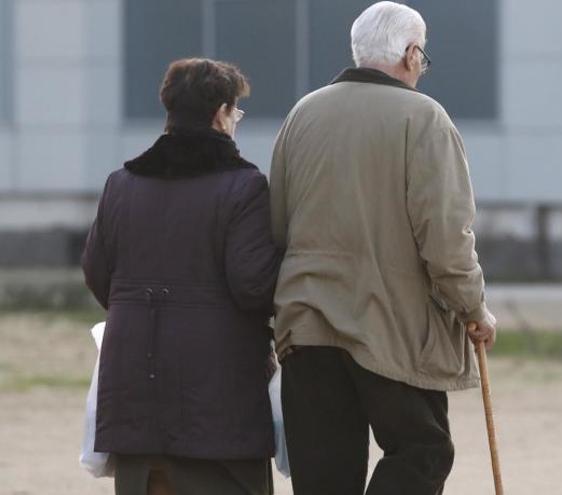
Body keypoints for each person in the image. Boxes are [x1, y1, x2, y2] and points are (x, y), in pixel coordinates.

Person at [270, 2, 496, 494]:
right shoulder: (424, 118)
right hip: (391, 327)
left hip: (306, 327)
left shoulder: (303, 113)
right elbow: (445, 237)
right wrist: (472, 308)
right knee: (423, 451)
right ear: (412, 55)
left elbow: (278, 224)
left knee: (325, 478)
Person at [82, 58, 281, 495]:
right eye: (236, 113)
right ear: (220, 114)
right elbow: (254, 287)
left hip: (134, 389)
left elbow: (98, 275)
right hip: (217, 403)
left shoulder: (121, 184)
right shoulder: (244, 187)